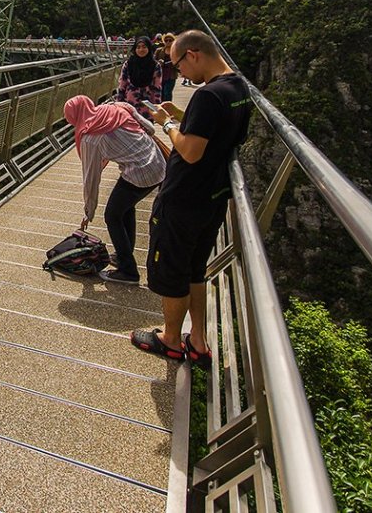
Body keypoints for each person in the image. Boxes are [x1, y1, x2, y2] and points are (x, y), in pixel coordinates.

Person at [132, 30, 252, 370]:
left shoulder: (208, 95)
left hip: (185, 196)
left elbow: (191, 151)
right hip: (213, 197)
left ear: (193, 54)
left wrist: (167, 123)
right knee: (195, 268)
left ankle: (170, 339)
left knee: (172, 269)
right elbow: (218, 135)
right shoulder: (239, 88)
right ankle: (197, 341)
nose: (180, 74)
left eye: (178, 64)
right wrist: (185, 120)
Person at [63, 95, 167, 285]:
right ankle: (123, 254)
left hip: (140, 173)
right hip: (158, 163)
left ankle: (128, 271)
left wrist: (89, 210)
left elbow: (91, 178)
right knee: (125, 207)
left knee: (112, 215)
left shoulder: (90, 137)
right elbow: (151, 129)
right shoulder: (117, 107)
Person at [114, 36, 162, 115]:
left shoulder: (155, 65)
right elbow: (122, 84)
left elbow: (157, 88)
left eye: (144, 47)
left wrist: (157, 107)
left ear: (149, 48)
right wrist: (118, 104)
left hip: (147, 106)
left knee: (146, 126)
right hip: (129, 105)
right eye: (138, 47)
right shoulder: (128, 64)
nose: (141, 50)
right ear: (135, 49)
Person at [157, 33, 178, 101]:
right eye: (166, 40)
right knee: (161, 93)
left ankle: (168, 108)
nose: (168, 42)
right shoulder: (159, 51)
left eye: (170, 40)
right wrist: (158, 62)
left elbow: (180, 64)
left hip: (171, 75)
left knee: (167, 93)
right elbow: (153, 61)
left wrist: (175, 63)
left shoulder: (176, 51)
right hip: (161, 75)